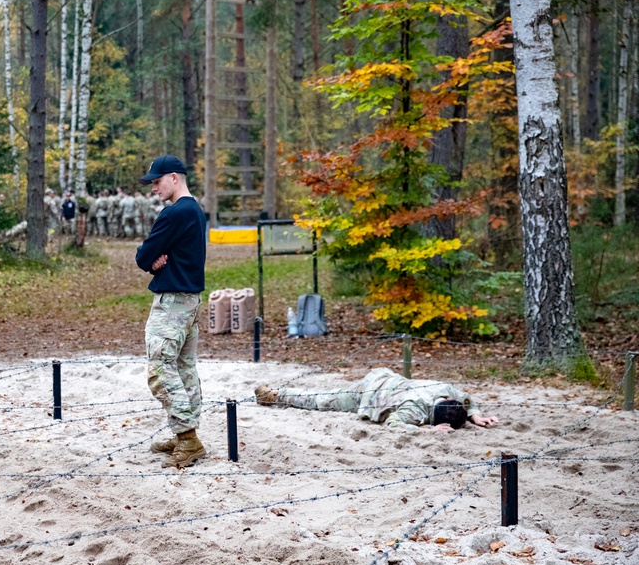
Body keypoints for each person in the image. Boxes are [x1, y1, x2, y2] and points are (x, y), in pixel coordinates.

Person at [135, 155, 208, 467]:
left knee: (160, 371)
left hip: (173, 303)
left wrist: (151, 259)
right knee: (183, 368)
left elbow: (143, 256)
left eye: (157, 180)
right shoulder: (196, 210)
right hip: (190, 300)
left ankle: (187, 437)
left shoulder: (174, 213)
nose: (154, 187)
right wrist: (155, 259)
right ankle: (185, 435)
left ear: (175, 177)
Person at [255, 368, 499, 431]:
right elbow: (394, 423)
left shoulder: (445, 388)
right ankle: (277, 395)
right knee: (322, 400)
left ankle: (279, 393)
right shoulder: (415, 411)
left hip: (384, 377)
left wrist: (474, 414)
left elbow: (465, 399)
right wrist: (426, 432)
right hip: (368, 394)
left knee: (324, 396)